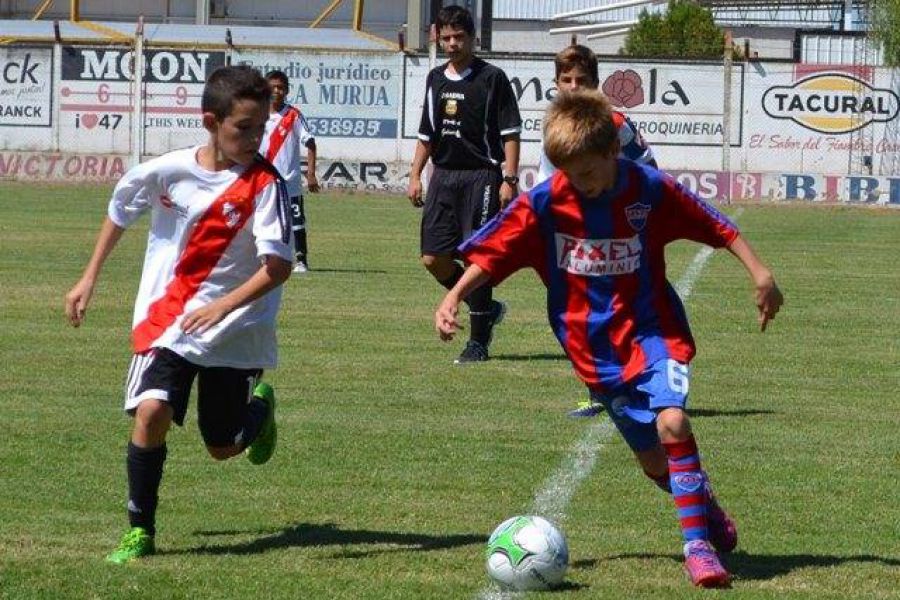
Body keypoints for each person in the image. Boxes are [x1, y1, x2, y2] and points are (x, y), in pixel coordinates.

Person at [435, 90, 784, 588]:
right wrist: (453, 298)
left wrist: (761, 274)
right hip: (593, 351)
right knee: (652, 460)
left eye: (587, 174)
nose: (578, 184)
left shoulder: (649, 188)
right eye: (568, 174)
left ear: (611, 153)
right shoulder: (546, 202)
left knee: (673, 422)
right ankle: (703, 504)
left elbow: (719, 227)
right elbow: (492, 254)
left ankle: (697, 547)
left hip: (655, 330)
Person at [64, 65, 294, 564]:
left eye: (261, 128)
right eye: (244, 128)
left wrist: (221, 306)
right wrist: (89, 277)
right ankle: (140, 530)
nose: (255, 138)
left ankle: (259, 412)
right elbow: (121, 208)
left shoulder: (265, 185)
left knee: (222, 447)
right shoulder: (166, 171)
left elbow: (278, 266)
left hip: (233, 329)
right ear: (210, 121)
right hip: (167, 319)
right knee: (151, 412)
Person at [407, 5, 522, 364]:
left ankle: (478, 342)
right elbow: (427, 133)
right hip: (443, 176)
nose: (453, 44)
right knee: (432, 257)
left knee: (478, 257)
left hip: (482, 176)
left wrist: (509, 177)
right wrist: (414, 174)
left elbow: (510, 132)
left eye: (459, 37)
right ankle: (482, 305)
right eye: (446, 38)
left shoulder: (492, 78)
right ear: (437, 38)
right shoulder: (435, 79)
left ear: (473, 38)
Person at [537, 44, 657, 181]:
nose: (574, 86)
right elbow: (546, 181)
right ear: (557, 85)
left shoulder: (616, 124)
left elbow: (650, 170)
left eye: (581, 80)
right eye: (566, 80)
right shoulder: (552, 126)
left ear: (595, 84)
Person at [260, 69, 319, 274]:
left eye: (281, 87)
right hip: (263, 180)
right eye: (273, 86)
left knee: (296, 219)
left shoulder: (293, 115)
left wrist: (310, 174)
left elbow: (310, 142)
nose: (277, 90)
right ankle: (263, 257)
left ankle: (301, 259)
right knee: (262, 218)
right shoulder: (257, 114)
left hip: (289, 179)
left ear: (287, 91)